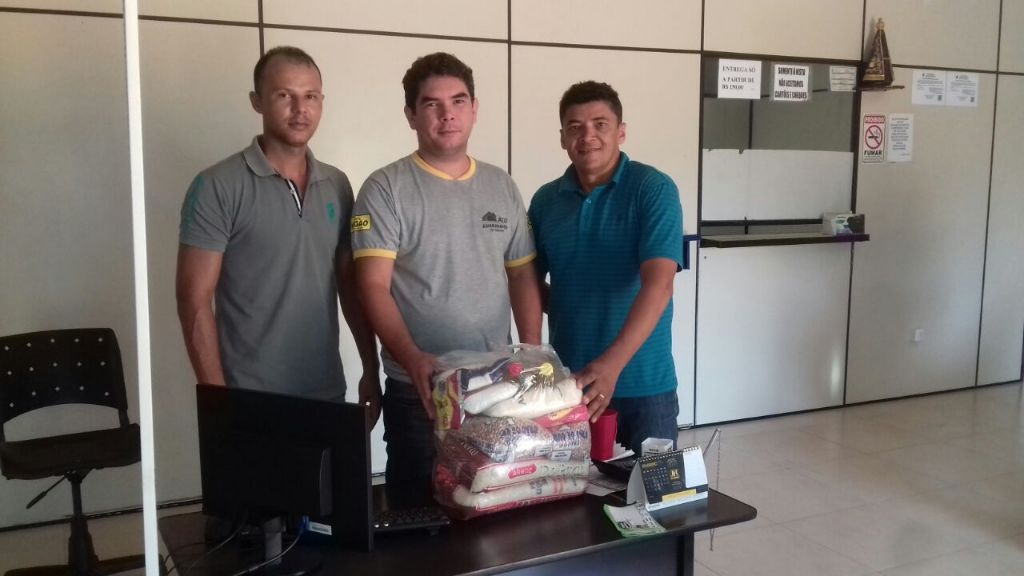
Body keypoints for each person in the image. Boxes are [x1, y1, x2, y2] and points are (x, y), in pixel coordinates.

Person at [352, 52, 542, 499]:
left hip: (496, 384)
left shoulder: (501, 185)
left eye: (458, 101)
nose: (447, 114)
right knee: (420, 508)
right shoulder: (385, 188)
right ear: (410, 115)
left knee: (493, 502)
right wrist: (412, 357)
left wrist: (532, 356)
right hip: (420, 387)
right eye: (432, 104)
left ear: (474, 108)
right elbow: (372, 286)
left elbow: (522, 276)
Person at [176, 46, 379, 418]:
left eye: (311, 96)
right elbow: (193, 301)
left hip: (326, 393)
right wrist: (219, 405)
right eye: (285, 95)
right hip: (249, 399)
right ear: (257, 102)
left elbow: (349, 285)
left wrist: (371, 368)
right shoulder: (217, 186)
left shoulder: (337, 185)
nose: (300, 109)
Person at [528, 81, 684, 455]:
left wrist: (611, 366)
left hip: (645, 387)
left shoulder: (653, 189)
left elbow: (660, 285)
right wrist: (563, 310)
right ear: (562, 137)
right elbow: (527, 281)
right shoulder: (546, 201)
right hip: (570, 385)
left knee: (651, 491)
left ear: (621, 132)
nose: (588, 137)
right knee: (571, 490)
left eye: (600, 124)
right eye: (575, 127)